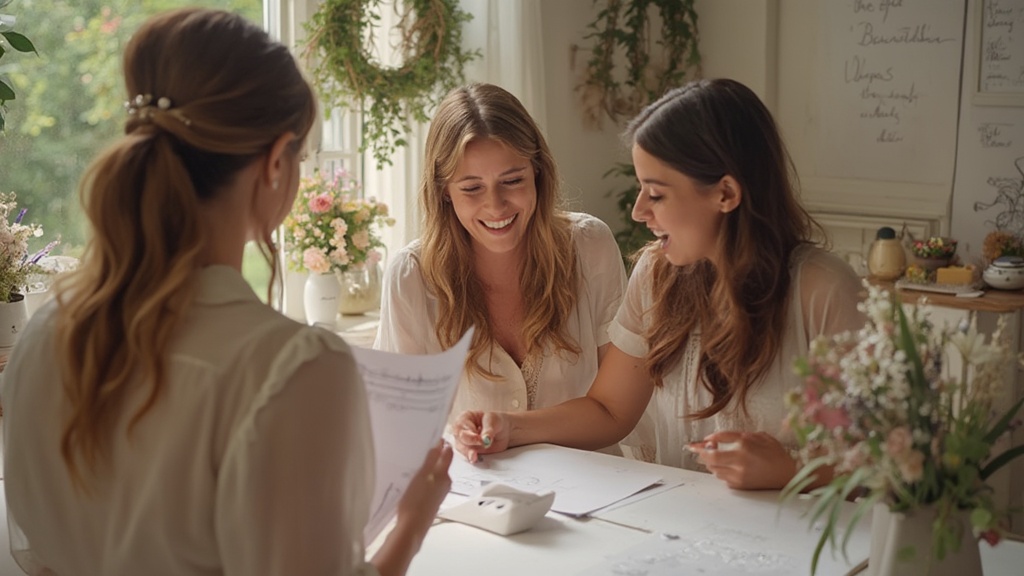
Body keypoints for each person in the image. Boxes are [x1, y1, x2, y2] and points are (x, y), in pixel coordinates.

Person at [1, 8, 450, 576]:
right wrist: (410, 525)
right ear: (274, 161)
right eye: (302, 157)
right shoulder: (294, 367)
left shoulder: (44, 336)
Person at [453, 78, 865, 490]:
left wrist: (790, 472)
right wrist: (510, 426)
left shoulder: (822, 290)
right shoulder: (656, 274)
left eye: (656, 193)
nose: (637, 211)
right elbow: (609, 410)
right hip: (677, 526)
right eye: (640, 189)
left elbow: (886, 460)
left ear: (725, 193)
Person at [374, 83, 627, 436]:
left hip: (601, 484)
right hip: (477, 487)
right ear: (444, 191)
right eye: (472, 188)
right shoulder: (411, 277)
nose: (495, 206)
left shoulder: (589, 246)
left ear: (537, 173)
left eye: (512, 180)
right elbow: (401, 429)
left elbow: (616, 409)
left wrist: (511, 430)